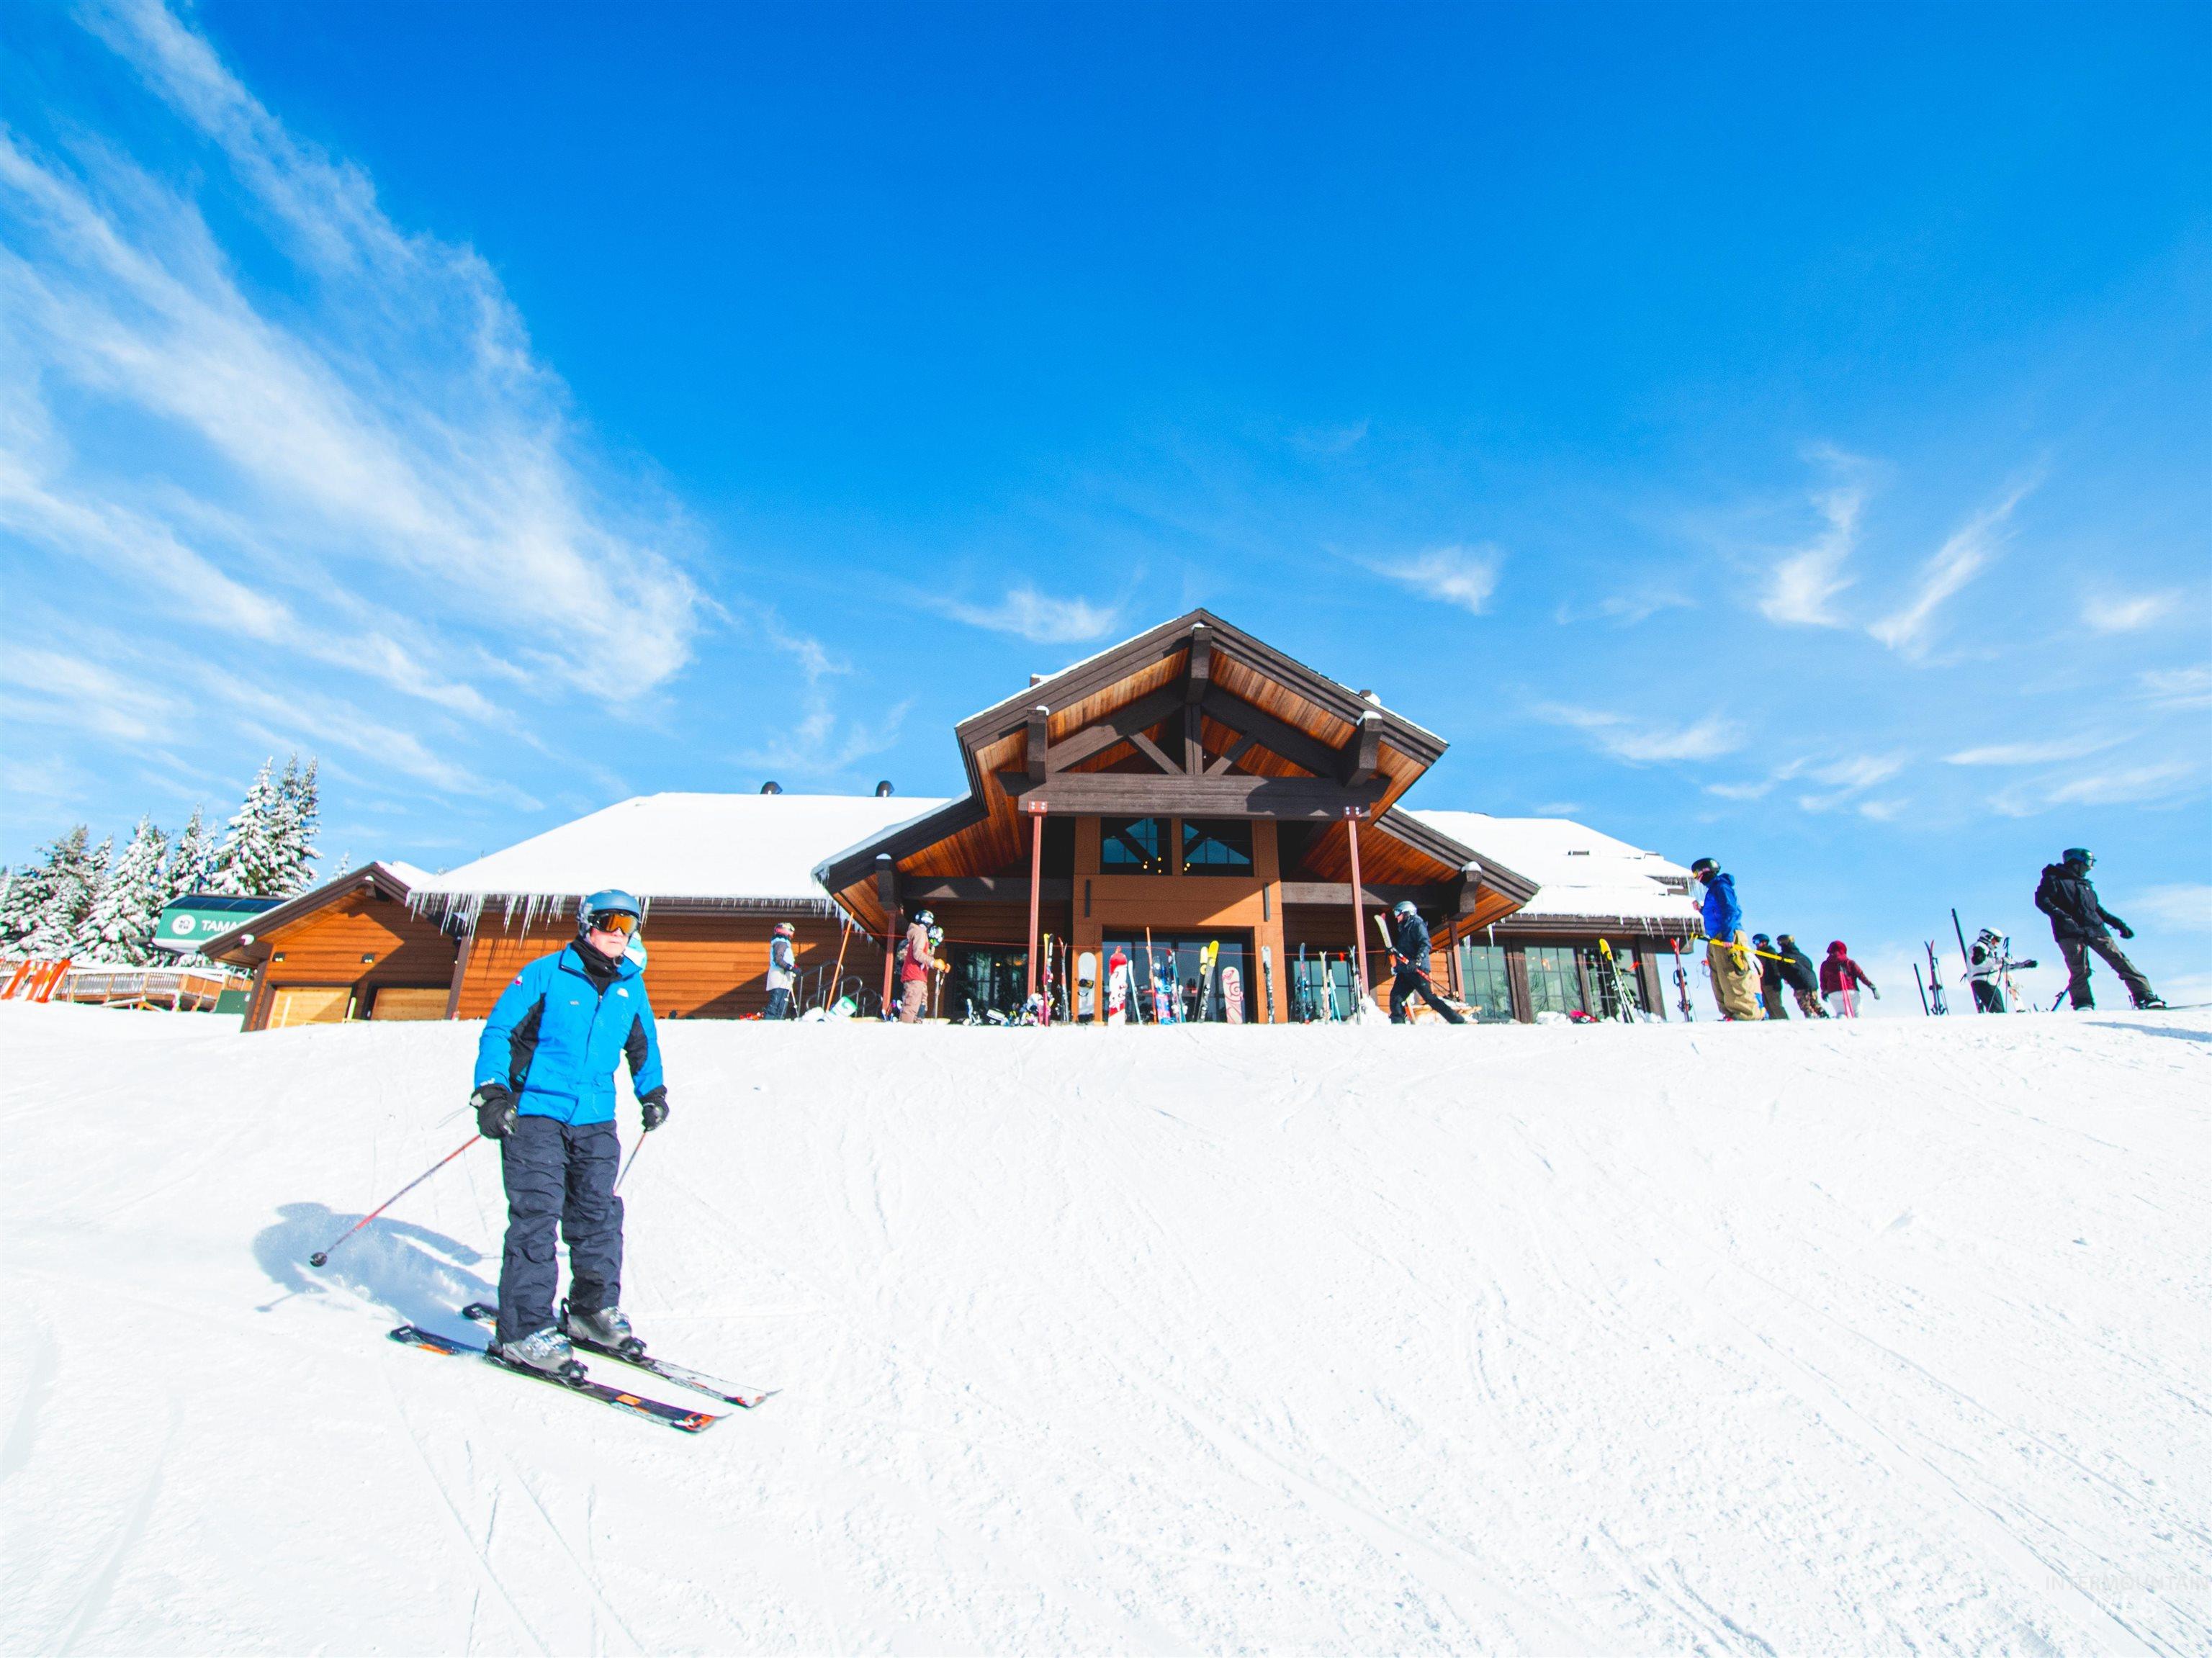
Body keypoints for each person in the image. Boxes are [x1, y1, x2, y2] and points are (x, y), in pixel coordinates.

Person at [470, 889, 668, 1375]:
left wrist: (653, 1092)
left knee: (598, 1214)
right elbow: (499, 1031)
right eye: (610, 921)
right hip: (535, 1111)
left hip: (595, 1117)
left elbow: (643, 1044)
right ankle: (523, 1330)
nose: (619, 933)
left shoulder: (630, 985)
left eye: (630, 925)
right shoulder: (545, 974)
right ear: (587, 923)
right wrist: (492, 1092)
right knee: (536, 1216)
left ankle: (590, 1311)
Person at [2034, 848, 2164, 1011]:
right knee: (2079, 968)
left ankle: (2144, 996)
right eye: (2089, 863)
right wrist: (2063, 917)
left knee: (2120, 961)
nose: (2091, 867)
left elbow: (2096, 909)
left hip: (2096, 929)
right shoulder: (2054, 879)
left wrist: (2119, 924)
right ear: (2077, 862)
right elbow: (2042, 901)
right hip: (2069, 932)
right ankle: (2083, 1003)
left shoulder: (2085, 884)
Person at [1689, 858, 1761, 1021]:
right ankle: (1730, 1013)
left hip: (1728, 936)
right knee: (1719, 976)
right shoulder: (1713, 890)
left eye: (1696, 874)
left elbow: (1730, 910)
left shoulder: (1721, 886)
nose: (1696, 878)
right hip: (1716, 937)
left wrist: (1729, 936)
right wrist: (1701, 910)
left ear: (1705, 871)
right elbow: (1716, 914)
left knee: (1732, 973)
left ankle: (1746, 1014)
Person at [1385, 901, 1466, 1024]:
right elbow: (1405, 950)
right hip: (1406, 970)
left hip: (1418, 970)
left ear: (1408, 913)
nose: (1396, 916)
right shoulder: (1404, 928)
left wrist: (1417, 961)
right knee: (1395, 998)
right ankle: (1398, 1024)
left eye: (1398, 913)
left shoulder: (1417, 925)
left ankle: (1457, 1020)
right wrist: (1393, 954)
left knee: (1430, 998)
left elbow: (1425, 944)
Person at [1774, 934, 1827, 1018]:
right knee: (1814, 1003)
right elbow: (1810, 966)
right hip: (1812, 983)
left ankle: (1812, 1020)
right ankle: (1824, 1017)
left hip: (1800, 984)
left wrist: (1785, 978)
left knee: (1805, 1006)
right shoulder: (1803, 956)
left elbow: (1782, 970)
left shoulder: (1783, 957)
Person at [1820, 940, 1878, 1017]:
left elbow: (1823, 980)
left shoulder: (1825, 965)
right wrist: (1872, 987)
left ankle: (1841, 1025)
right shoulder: (1849, 963)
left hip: (1834, 993)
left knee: (1841, 1014)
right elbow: (1861, 975)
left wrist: (1824, 991)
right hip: (1851, 991)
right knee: (1857, 1013)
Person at [898, 908, 932, 1022]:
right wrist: (932, 962)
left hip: (917, 975)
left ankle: (909, 1028)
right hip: (915, 974)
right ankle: (904, 1029)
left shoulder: (919, 933)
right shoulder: (920, 933)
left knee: (914, 1006)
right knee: (911, 1007)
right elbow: (918, 954)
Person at [1965, 928, 2010, 1013]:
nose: (1998, 943)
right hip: (1984, 983)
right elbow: (1978, 961)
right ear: (1988, 937)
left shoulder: (1989, 951)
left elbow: (1997, 968)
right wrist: (2000, 960)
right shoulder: (1979, 947)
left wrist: (2022, 965)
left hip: (1987, 983)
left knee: (1998, 1010)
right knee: (1998, 1012)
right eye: (1997, 939)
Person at [765, 921, 797, 1020]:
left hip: (783, 976)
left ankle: (777, 1022)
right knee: (776, 1003)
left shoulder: (784, 943)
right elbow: (778, 959)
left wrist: (793, 967)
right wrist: (790, 968)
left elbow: (786, 959)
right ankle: (769, 1022)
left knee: (781, 1004)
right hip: (779, 976)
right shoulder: (781, 943)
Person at [1752, 932, 1788, 1019]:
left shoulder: (1770, 952)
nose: (1756, 944)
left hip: (1772, 983)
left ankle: (1784, 1021)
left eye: (1757, 941)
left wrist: (1777, 979)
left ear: (1765, 942)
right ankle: (1774, 1022)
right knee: (1766, 1005)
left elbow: (1775, 967)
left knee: (1775, 1005)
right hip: (1763, 983)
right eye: (1754, 942)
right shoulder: (1757, 955)